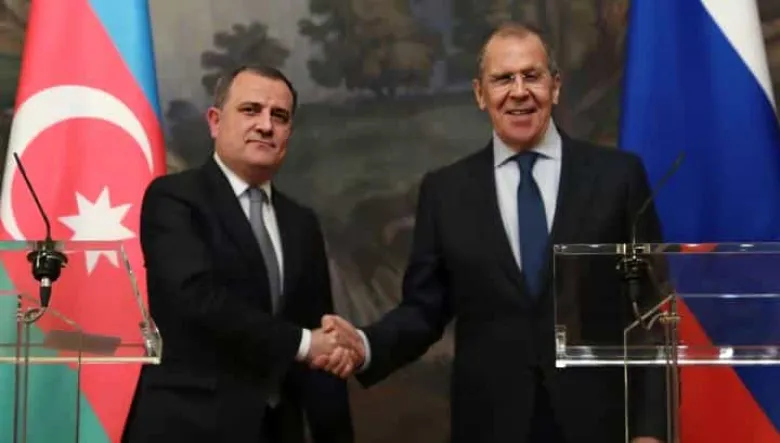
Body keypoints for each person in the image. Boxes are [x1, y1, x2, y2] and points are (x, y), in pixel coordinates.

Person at [316, 23, 668, 443]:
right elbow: (424, 310)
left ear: (555, 87)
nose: (519, 92)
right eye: (503, 79)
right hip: (490, 423)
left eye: (532, 75)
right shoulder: (446, 192)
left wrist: (651, 430)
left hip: (599, 423)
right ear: (480, 94)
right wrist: (366, 344)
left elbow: (650, 313)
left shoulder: (618, 178)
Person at [122, 65, 358, 443]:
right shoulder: (173, 198)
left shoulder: (301, 222)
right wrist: (303, 343)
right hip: (186, 427)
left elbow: (321, 340)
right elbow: (195, 298)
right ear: (215, 122)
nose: (266, 125)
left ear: (289, 133)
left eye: (279, 116)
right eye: (250, 110)